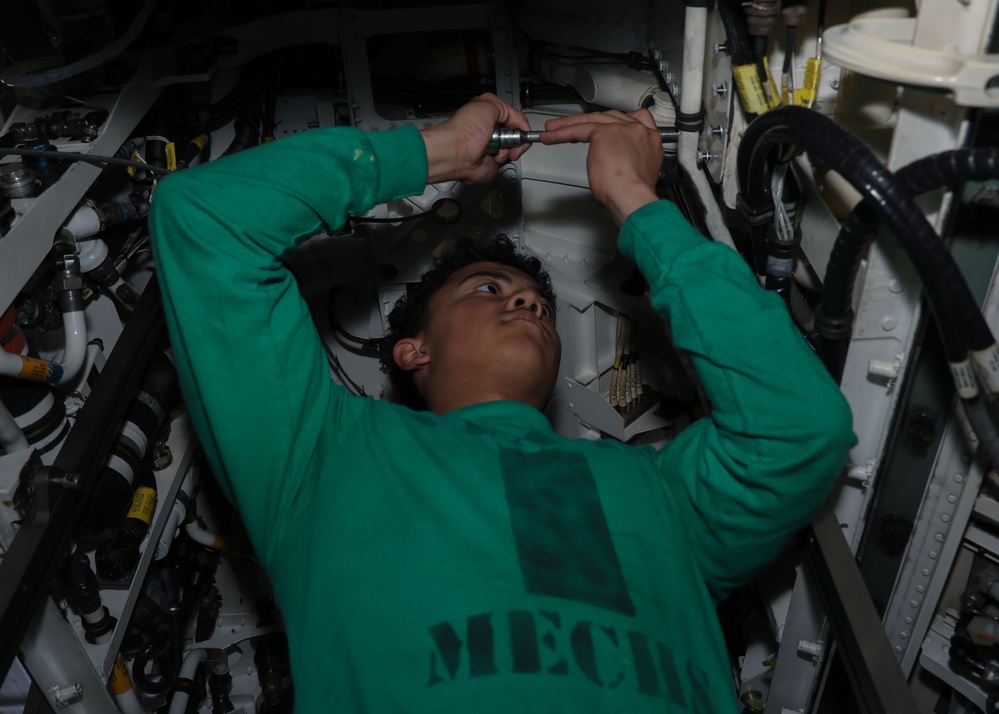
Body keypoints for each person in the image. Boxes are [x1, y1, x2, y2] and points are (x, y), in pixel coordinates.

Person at [149, 92, 855, 712]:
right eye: (488, 289)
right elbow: (206, 219)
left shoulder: (658, 491)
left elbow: (798, 428)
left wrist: (632, 198)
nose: (525, 298)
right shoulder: (321, 456)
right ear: (412, 351)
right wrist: (437, 152)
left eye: (536, 302)